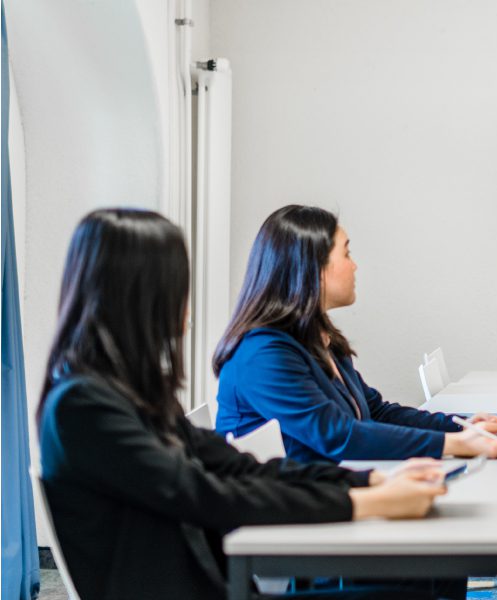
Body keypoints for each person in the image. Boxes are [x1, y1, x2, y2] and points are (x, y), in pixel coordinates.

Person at [38, 208, 461, 600]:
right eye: (178, 285)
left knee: (419, 584)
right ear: (141, 296)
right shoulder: (82, 407)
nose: (186, 302)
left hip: (214, 586)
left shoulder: (133, 395)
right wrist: (363, 503)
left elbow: (241, 467)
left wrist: (368, 483)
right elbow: (209, 496)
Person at [214, 205, 497, 463]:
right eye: (346, 254)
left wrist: (460, 428)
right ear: (313, 269)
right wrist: (455, 445)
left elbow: (374, 412)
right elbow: (338, 435)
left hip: (322, 494)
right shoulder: (262, 355)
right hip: (276, 522)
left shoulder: (317, 338)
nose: (355, 266)